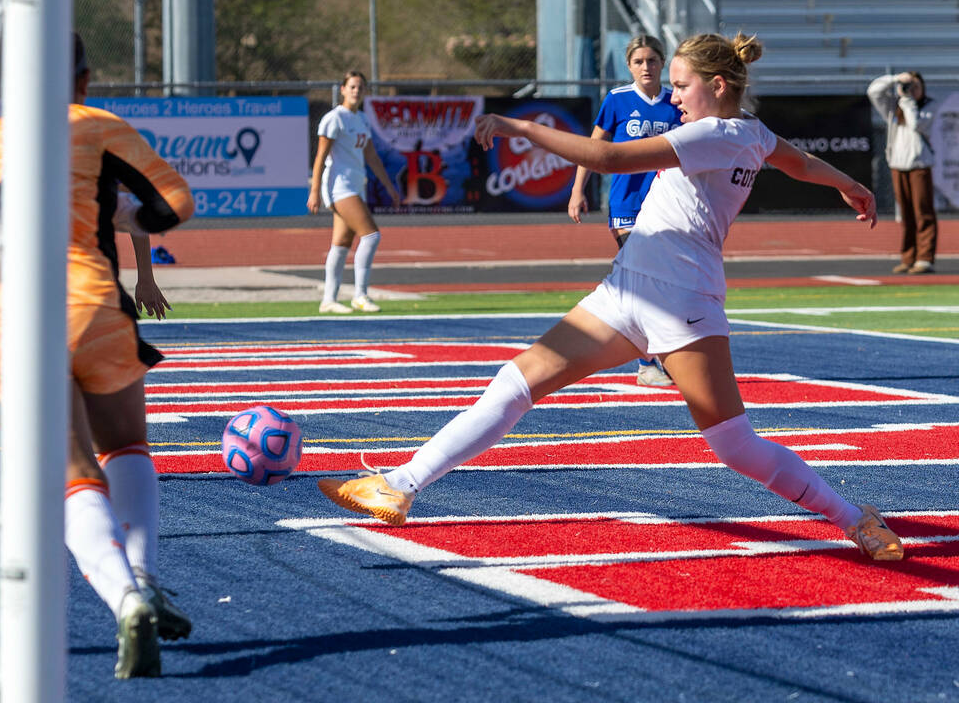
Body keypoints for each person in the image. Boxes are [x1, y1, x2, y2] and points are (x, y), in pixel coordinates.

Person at [319, 33, 904, 563]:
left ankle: (854, 518)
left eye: (681, 85)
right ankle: (399, 486)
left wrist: (519, 128)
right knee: (517, 381)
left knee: (735, 446)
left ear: (717, 86)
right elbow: (799, 162)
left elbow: (606, 158)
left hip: (683, 304)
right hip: (626, 290)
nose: (673, 97)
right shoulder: (752, 133)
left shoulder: (713, 133)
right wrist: (850, 184)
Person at [0, 34, 195, 679]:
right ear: (84, 80)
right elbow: (176, 205)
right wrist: (128, 214)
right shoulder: (99, 126)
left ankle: (125, 597)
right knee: (127, 445)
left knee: (71, 473)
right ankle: (143, 577)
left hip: (7, 319)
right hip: (91, 304)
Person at [569, 34, 684, 387]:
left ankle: (658, 357)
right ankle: (648, 363)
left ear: (662, 63)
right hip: (627, 203)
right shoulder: (617, 100)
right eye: (638, 62)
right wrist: (578, 189)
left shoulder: (676, 103)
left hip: (665, 205)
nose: (646, 67)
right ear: (629, 66)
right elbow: (593, 148)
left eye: (651, 60)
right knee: (643, 276)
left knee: (662, 281)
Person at [307, 70, 401, 314]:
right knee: (371, 236)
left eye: (360, 87)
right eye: (352, 86)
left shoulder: (362, 119)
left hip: (357, 183)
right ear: (343, 89)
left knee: (341, 243)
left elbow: (370, 155)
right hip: (339, 185)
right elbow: (321, 157)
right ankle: (360, 295)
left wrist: (388, 185)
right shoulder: (334, 118)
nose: (356, 91)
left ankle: (328, 299)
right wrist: (314, 190)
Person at [867, 71, 937, 274]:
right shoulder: (892, 109)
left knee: (923, 212)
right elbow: (873, 91)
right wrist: (896, 79)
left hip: (920, 165)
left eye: (916, 86)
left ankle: (925, 258)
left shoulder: (929, 107)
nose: (911, 90)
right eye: (908, 86)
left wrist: (907, 101)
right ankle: (908, 257)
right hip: (898, 164)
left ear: (923, 88)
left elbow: (916, 124)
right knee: (905, 214)